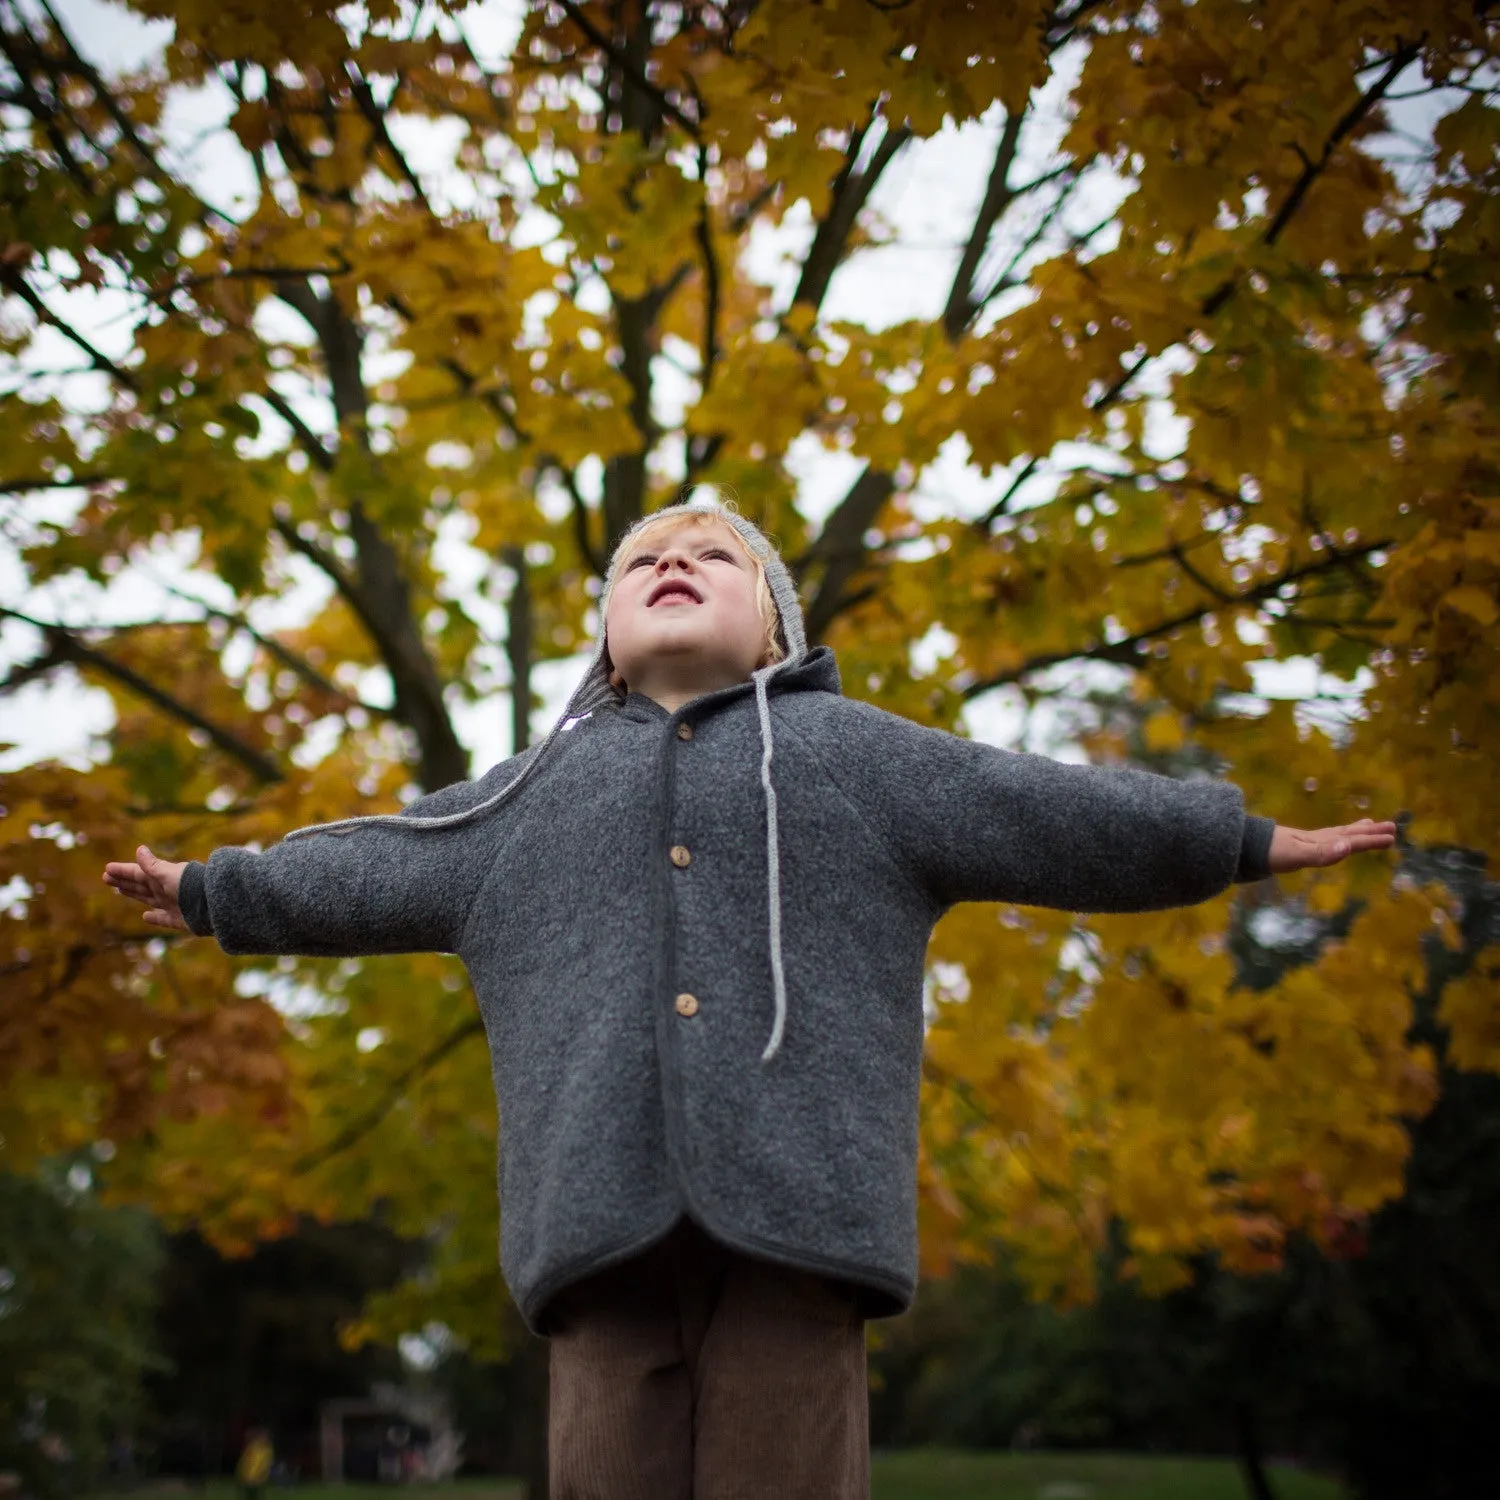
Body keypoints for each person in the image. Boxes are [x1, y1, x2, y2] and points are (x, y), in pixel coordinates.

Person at [104, 494, 1396, 1499]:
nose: (673, 562)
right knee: (607, 1462)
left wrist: (1243, 838)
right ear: (607, 635)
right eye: (641, 561)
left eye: (713, 557)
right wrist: (220, 892)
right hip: (596, 1228)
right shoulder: (520, 801)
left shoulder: (859, 757)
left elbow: (1048, 808)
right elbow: (377, 857)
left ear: (776, 624)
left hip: (803, 1222)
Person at [235, 1429, 272, 1500]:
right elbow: (245, 1462)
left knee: (257, 1494)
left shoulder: (267, 1450)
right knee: (249, 1494)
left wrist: (261, 1475)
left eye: (266, 1438)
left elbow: (265, 1464)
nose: (264, 1439)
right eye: (263, 1437)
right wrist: (244, 1474)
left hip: (258, 1477)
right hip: (249, 1475)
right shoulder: (252, 1448)